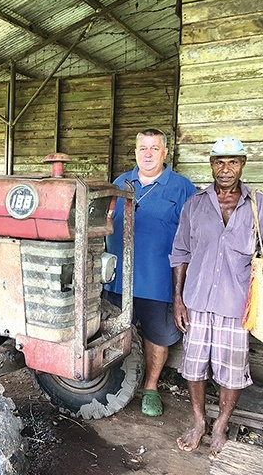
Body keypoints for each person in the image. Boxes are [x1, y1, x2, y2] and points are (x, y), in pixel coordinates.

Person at [170, 137, 263, 459]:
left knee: (232, 371)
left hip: (237, 305)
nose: (225, 169)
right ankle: (199, 421)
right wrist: (178, 299)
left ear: (242, 164)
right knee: (193, 367)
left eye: (232, 162)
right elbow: (180, 254)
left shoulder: (258, 204)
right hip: (197, 300)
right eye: (219, 162)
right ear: (211, 164)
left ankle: (220, 425)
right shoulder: (195, 205)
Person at [105, 128, 197, 417]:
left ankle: (151, 388)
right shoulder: (121, 183)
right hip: (118, 281)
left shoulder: (182, 188)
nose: (148, 153)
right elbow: (104, 221)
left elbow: (194, 236)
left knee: (156, 337)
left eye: (154, 148)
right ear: (135, 152)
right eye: (143, 148)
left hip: (159, 282)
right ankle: (112, 386)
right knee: (113, 333)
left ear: (165, 153)